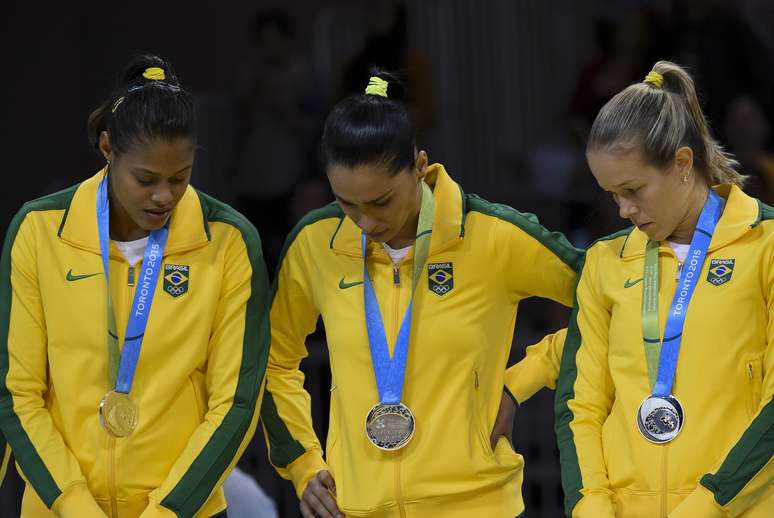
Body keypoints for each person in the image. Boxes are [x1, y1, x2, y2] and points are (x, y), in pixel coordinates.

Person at [260, 71, 581, 517]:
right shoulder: (316, 243)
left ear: (419, 166)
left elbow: (614, 299)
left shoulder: (492, 236)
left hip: (477, 506)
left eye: (381, 201)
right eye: (347, 204)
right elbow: (273, 358)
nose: (366, 223)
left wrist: (519, 381)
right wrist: (302, 463)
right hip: (356, 508)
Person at [0, 54, 270, 517]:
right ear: (107, 148)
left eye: (179, 178)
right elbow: (17, 394)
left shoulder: (228, 241)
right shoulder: (40, 230)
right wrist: (74, 505)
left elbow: (237, 402)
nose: (164, 195)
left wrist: (167, 511)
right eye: (145, 179)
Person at [555, 61, 774, 517]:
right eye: (612, 194)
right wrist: (590, 505)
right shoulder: (604, 263)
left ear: (681, 163)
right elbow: (582, 403)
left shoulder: (766, 243)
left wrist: (710, 506)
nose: (623, 209)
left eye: (634, 190)